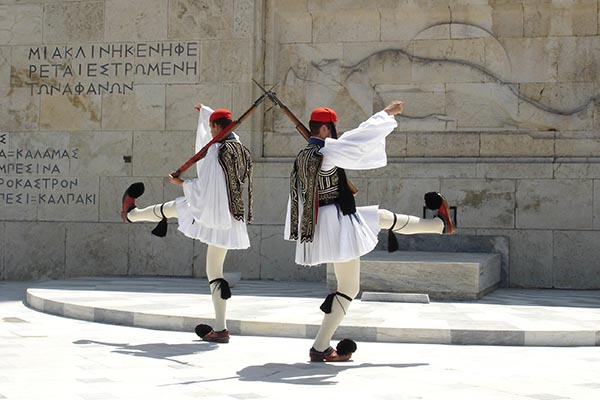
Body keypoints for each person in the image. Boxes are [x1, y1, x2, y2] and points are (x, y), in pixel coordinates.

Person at [284, 101, 455, 362]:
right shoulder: (327, 152)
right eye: (333, 129)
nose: (336, 133)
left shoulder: (304, 155)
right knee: (348, 288)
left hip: (325, 222)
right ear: (324, 130)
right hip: (336, 223)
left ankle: (438, 225)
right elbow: (360, 137)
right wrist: (385, 114)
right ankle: (320, 346)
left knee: (380, 217)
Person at [121, 104, 254, 344]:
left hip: (212, 212)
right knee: (214, 271)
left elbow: (204, 187)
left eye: (211, 126)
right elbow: (221, 130)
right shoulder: (239, 146)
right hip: (231, 215)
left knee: (175, 207)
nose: (210, 131)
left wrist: (180, 182)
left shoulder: (217, 151)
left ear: (215, 127)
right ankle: (221, 328)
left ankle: (131, 214)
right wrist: (205, 111)